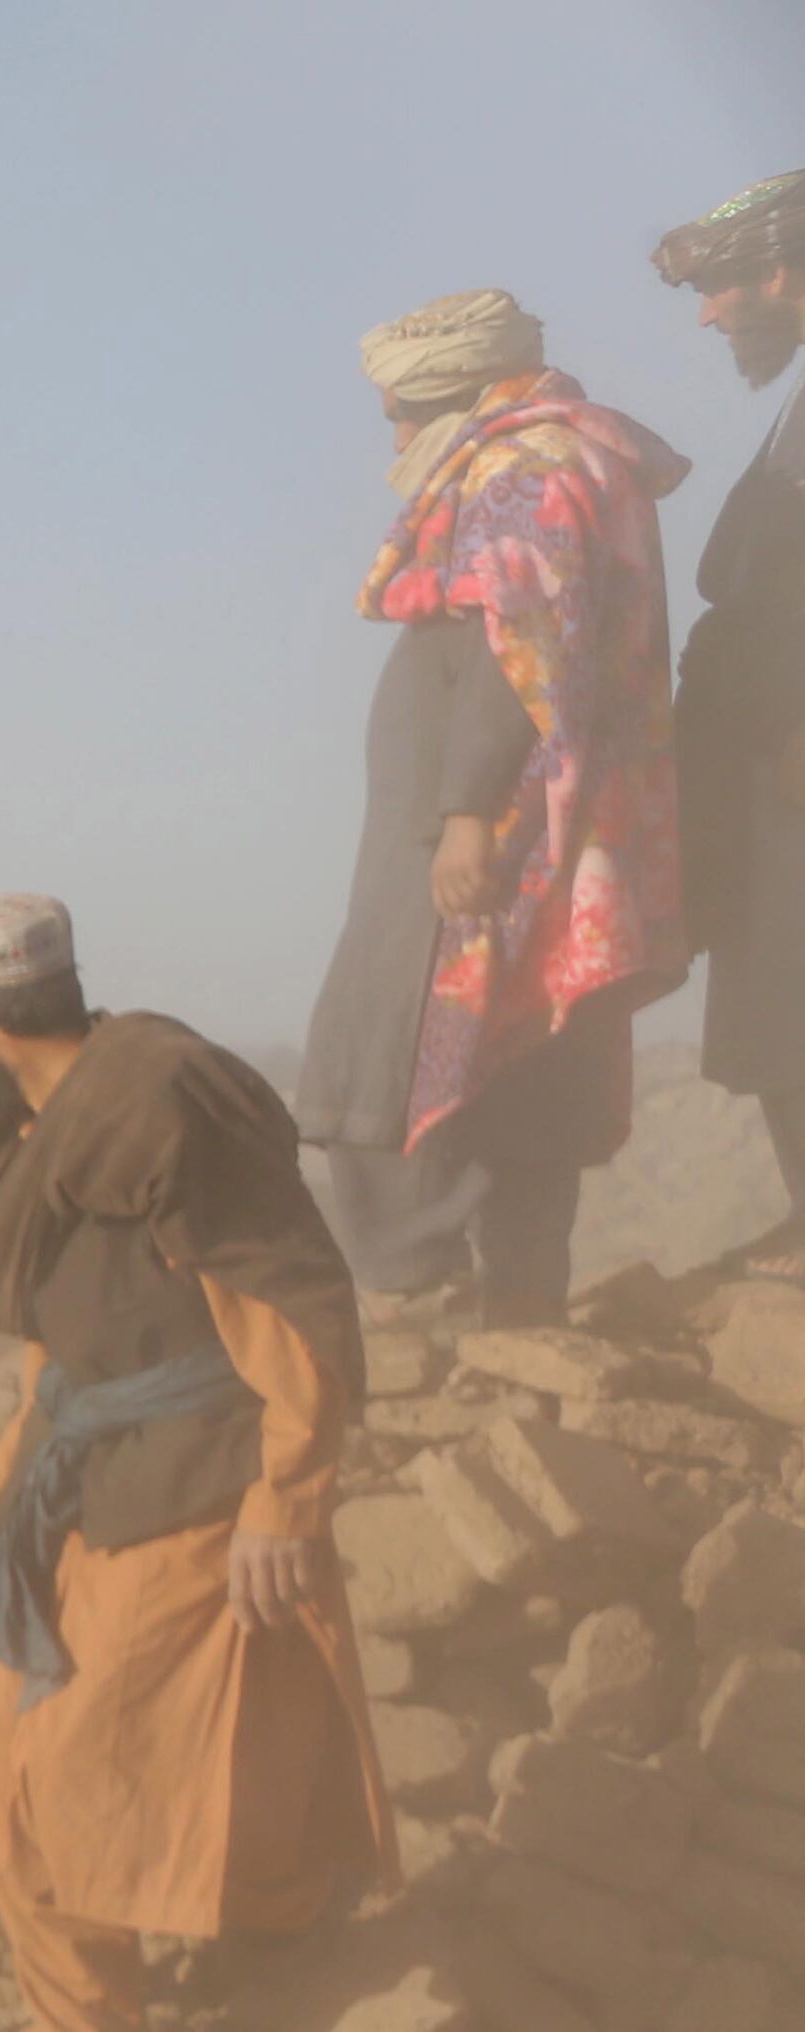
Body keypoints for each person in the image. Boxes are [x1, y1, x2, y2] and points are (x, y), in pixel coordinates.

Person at [0, 897, 392, 2032]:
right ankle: (277, 1946)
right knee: (4, 1750)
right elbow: (58, 1368)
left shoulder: (157, 1100)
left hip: (198, 1491)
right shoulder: (62, 1122)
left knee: (65, 1767)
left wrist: (284, 1499)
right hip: (100, 1483)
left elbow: (290, 1305)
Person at [295, 292, 688, 1328]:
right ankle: (517, 1309)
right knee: (517, 1058)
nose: (391, 432)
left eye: (402, 407)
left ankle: (417, 1294)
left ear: (466, 392)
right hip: (541, 821)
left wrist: (466, 810)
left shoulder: (520, 470)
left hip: (487, 829)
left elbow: (511, 646)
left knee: (394, 1048)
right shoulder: (574, 458)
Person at [660, 171, 805, 1268]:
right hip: (759, 756)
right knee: (771, 986)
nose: (706, 315)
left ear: (780, 271)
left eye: (717, 288)